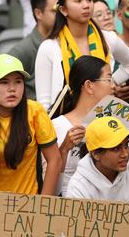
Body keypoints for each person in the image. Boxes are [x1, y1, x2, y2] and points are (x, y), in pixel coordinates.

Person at [0, 54, 61, 232]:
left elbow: (54, 160)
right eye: (4, 82)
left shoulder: (35, 111)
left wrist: (43, 205)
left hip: (29, 214)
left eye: (18, 81)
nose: (12, 89)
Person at [35, 0, 129, 112]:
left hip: (104, 114)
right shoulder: (49, 47)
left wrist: (109, 83)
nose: (86, 5)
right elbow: (44, 101)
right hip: (67, 120)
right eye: (78, 1)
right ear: (63, 10)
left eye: (89, 0)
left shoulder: (108, 38)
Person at [65, 116, 129, 233]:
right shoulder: (78, 187)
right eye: (116, 149)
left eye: (126, 145)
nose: (125, 154)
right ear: (96, 154)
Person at [53, 56, 114, 195]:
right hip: (68, 205)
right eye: (109, 79)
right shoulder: (58, 126)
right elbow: (51, 189)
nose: (113, 86)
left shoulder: (113, 124)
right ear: (89, 86)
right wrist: (64, 149)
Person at [9, 0, 58, 99]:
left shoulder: (65, 43)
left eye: (62, 10)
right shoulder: (23, 49)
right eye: (54, 11)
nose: (61, 15)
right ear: (38, 13)